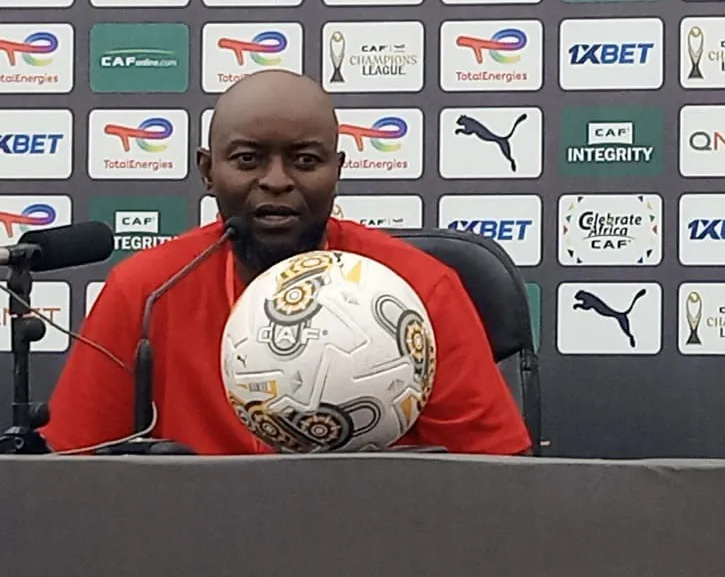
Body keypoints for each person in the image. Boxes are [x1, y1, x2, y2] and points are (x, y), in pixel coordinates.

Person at [42, 70, 532, 456]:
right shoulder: (147, 291)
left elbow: (497, 480)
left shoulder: (418, 290)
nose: (276, 181)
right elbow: (73, 471)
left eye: (305, 161)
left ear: (337, 171)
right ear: (207, 171)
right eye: (248, 159)